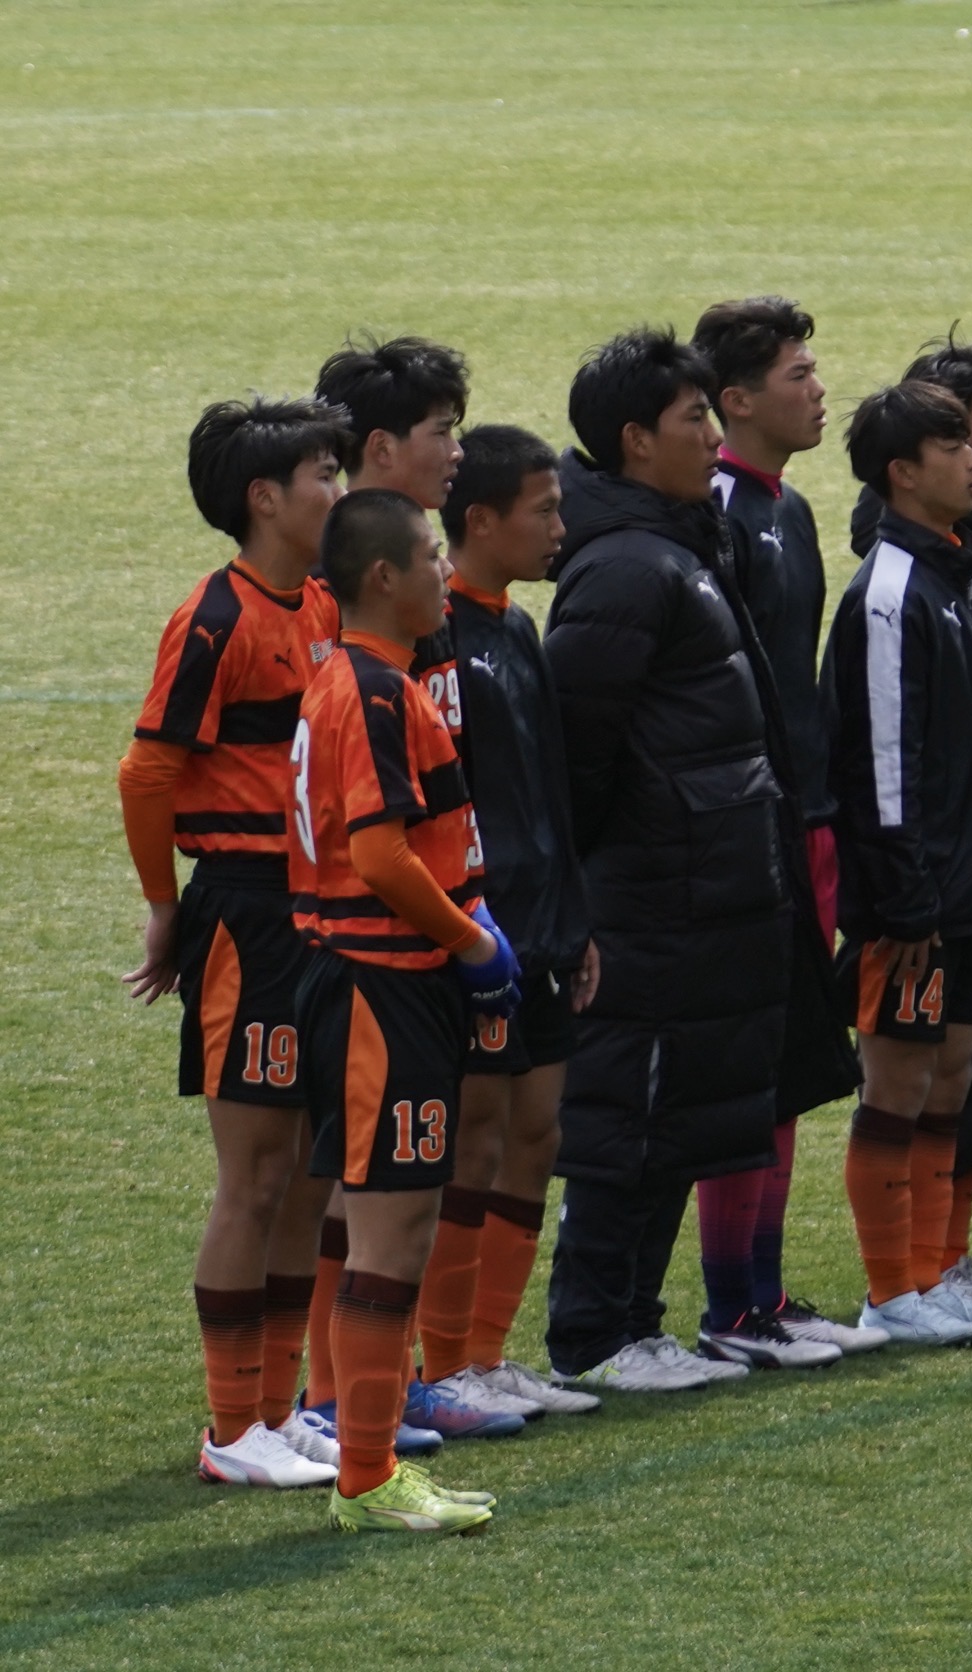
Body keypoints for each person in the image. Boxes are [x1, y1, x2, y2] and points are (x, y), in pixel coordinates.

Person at [541, 328, 797, 1391]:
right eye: (694, 419)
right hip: (649, 892)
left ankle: (634, 1324)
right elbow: (577, 755)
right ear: (636, 439)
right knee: (628, 1116)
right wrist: (635, 859)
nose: (710, 437)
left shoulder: (678, 544)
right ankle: (594, 1335)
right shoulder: (623, 568)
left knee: (674, 1110)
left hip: (698, 889)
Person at [122, 396, 350, 1489]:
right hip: (250, 913)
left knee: (306, 1175)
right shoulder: (213, 620)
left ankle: (274, 1409)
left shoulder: (325, 602)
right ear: (265, 498)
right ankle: (228, 1430)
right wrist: (165, 906)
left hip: (321, 910)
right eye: (322, 476)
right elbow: (147, 772)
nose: (338, 492)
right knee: (255, 1176)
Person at [291, 487, 519, 1532]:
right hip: (379, 986)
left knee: (399, 1224)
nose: (445, 571)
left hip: (390, 983)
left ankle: (371, 1466)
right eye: (431, 556)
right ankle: (368, 1476)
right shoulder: (371, 690)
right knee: (389, 1233)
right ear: (384, 576)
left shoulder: (370, 680)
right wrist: (471, 941)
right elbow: (379, 855)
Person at [401, 427, 605, 1418]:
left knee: (535, 1131)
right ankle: (443, 1365)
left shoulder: (519, 628)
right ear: (480, 520)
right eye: (545, 509)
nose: (561, 527)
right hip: (478, 934)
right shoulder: (433, 639)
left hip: (545, 927)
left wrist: (576, 917)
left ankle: (486, 1351)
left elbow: (547, 788)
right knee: (475, 1137)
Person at [823, 380, 972, 1340]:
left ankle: (932, 1271)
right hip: (917, 903)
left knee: (951, 1082)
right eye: (953, 446)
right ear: (903, 473)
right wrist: (906, 900)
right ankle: (890, 1294)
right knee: (899, 1088)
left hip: (970, 888)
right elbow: (881, 761)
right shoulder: (890, 593)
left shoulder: (958, 572)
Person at [685, 295, 872, 1366]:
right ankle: (731, 1304)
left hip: (808, 821)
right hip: (751, 829)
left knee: (792, 1064)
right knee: (749, 1066)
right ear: (738, 399)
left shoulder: (787, 509)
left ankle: (762, 1291)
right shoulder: (715, 512)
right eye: (798, 374)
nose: (818, 389)